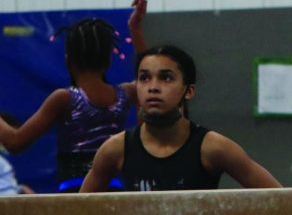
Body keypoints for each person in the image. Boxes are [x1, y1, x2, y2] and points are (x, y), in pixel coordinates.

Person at [0, 0, 149, 192]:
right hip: (115, 191)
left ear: (69, 59)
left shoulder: (64, 98)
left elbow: (14, 142)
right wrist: (135, 29)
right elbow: (149, 75)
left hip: (74, 192)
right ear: (108, 60)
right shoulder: (124, 93)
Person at [80, 45, 282, 192]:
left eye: (166, 77)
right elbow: (75, 209)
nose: (153, 87)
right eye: (144, 78)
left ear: (189, 91)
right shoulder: (115, 149)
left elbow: (282, 200)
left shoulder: (213, 148)